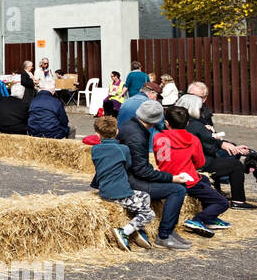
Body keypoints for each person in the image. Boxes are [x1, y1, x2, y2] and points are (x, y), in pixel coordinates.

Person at [117, 100, 192, 249]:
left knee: (176, 185)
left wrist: (160, 174)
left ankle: (170, 230)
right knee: (178, 189)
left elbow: (140, 164)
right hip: (129, 181)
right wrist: (172, 178)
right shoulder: (137, 136)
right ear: (155, 120)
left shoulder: (129, 125)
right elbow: (141, 171)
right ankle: (164, 235)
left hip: (127, 175)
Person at [153, 105, 231, 236]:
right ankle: (199, 219)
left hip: (168, 177)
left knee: (205, 180)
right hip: (189, 181)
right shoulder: (193, 140)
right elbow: (200, 163)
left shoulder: (160, 139)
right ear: (188, 123)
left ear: (166, 123)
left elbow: (162, 161)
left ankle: (209, 218)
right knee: (222, 203)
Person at [176, 94, 256, 209]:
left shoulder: (176, 122)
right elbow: (209, 145)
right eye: (199, 108)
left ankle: (217, 192)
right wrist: (232, 147)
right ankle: (238, 201)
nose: (200, 110)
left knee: (220, 160)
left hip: (181, 162)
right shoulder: (196, 124)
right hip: (197, 163)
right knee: (236, 165)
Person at [89, 114, 155, 251]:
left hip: (104, 190)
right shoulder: (123, 149)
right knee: (149, 214)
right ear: (117, 131)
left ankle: (136, 228)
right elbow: (128, 165)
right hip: (119, 193)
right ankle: (125, 231)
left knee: (145, 196)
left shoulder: (94, 150)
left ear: (97, 134)